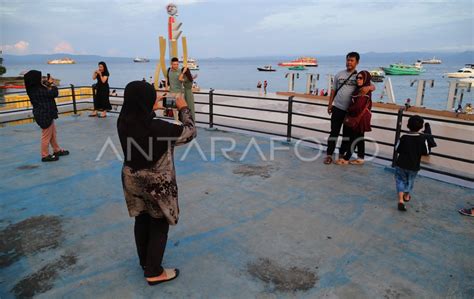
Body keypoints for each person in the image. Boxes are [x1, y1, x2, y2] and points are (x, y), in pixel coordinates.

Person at [117, 81, 196, 285]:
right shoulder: (158, 127)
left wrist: (150, 107)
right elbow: (189, 132)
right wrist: (183, 108)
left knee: (141, 219)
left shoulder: (123, 120)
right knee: (159, 223)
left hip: (132, 178)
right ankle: (154, 272)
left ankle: (145, 262)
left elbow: (140, 121)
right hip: (156, 183)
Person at [324, 52, 375, 164]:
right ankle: (329, 155)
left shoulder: (359, 75)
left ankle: (342, 154)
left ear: (357, 62)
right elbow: (333, 90)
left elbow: (372, 86)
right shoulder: (339, 74)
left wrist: (369, 87)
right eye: (347, 60)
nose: (349, 62)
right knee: (334, 133)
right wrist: (329, 104)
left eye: (352, 60)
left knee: (347, 135)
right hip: (337, 108)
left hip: (350, 112)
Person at [24, 70, 69, 162]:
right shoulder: (38, 90)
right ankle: (45, 155)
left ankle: (56, 150)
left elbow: (45, 92)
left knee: (52, 133)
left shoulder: (33, 89)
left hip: (46, 113)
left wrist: (48, 84)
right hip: (44, 115)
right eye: (39, 78)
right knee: (46, 136)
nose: (41, 79)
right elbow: (53, 93)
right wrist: (52, 84)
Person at [336, 71, 372, 165]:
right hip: (360, 118)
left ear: (365, 80)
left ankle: (346, 158)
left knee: (354, 138)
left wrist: (349, 109)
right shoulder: (360, 89)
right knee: (360, 138)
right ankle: (360, 158)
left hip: (359, 118)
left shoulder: (364, 91)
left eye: (361, 78)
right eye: (357, 78)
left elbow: (358, 107)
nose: (358, 80)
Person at [394, 115, 429, 212]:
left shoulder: (404, 137)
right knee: (410, 180)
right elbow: (426, 152)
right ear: (421, 127)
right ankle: (407, 195)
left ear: (408, 125)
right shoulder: (422, 139)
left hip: (401, 164)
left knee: (400, 180)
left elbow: (397, 149)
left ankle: (401, 200)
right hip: (414, 165)